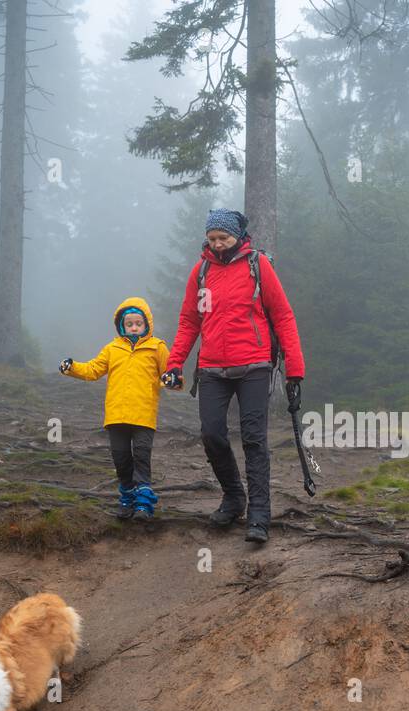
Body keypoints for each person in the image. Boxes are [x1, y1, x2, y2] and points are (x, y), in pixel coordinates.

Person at [161, 209, 305, 543]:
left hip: (254, 365)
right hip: (211, 367)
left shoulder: (258, 265)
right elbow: (188, 321)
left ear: (237, 236)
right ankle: (233, 497)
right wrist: (174, 363)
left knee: (254, 439)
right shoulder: (201, 271)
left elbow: (283, 316)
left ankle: (259, 514)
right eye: (212, 239)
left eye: (223, 238)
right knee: (212, 434)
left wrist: (294, 369)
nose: (218, 244)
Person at [60, 297, 169, 519]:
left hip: (143, 415)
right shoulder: (112, 348)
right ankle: (127, 498)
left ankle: (143, 504)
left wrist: (171, 381)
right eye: (129, 324)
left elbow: (169, 374)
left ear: (147, 323)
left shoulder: (157, 347)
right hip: (116, 416)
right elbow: (92, 370)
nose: (134, 327)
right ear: (122, 325)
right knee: (120, 458)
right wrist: (72, 368)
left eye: (138, 323)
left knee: (141, 455)